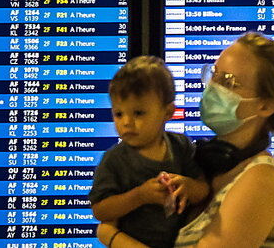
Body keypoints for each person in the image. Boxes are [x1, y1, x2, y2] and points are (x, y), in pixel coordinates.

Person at [96, 32, 274, 248]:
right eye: (214, 74)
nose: (213, 87)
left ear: (266, 105)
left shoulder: (263, 182)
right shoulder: (203, 165)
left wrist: (112, 237)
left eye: (228, 81)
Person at [90, 56, 211, 248]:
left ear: (168, 113)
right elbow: (100, 211)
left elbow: (203, 190)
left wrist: (188, 187)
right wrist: (139, 196)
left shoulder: (180, 146)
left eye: (138, 113)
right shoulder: (115, 160)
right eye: (119, 113)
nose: (127, 122)